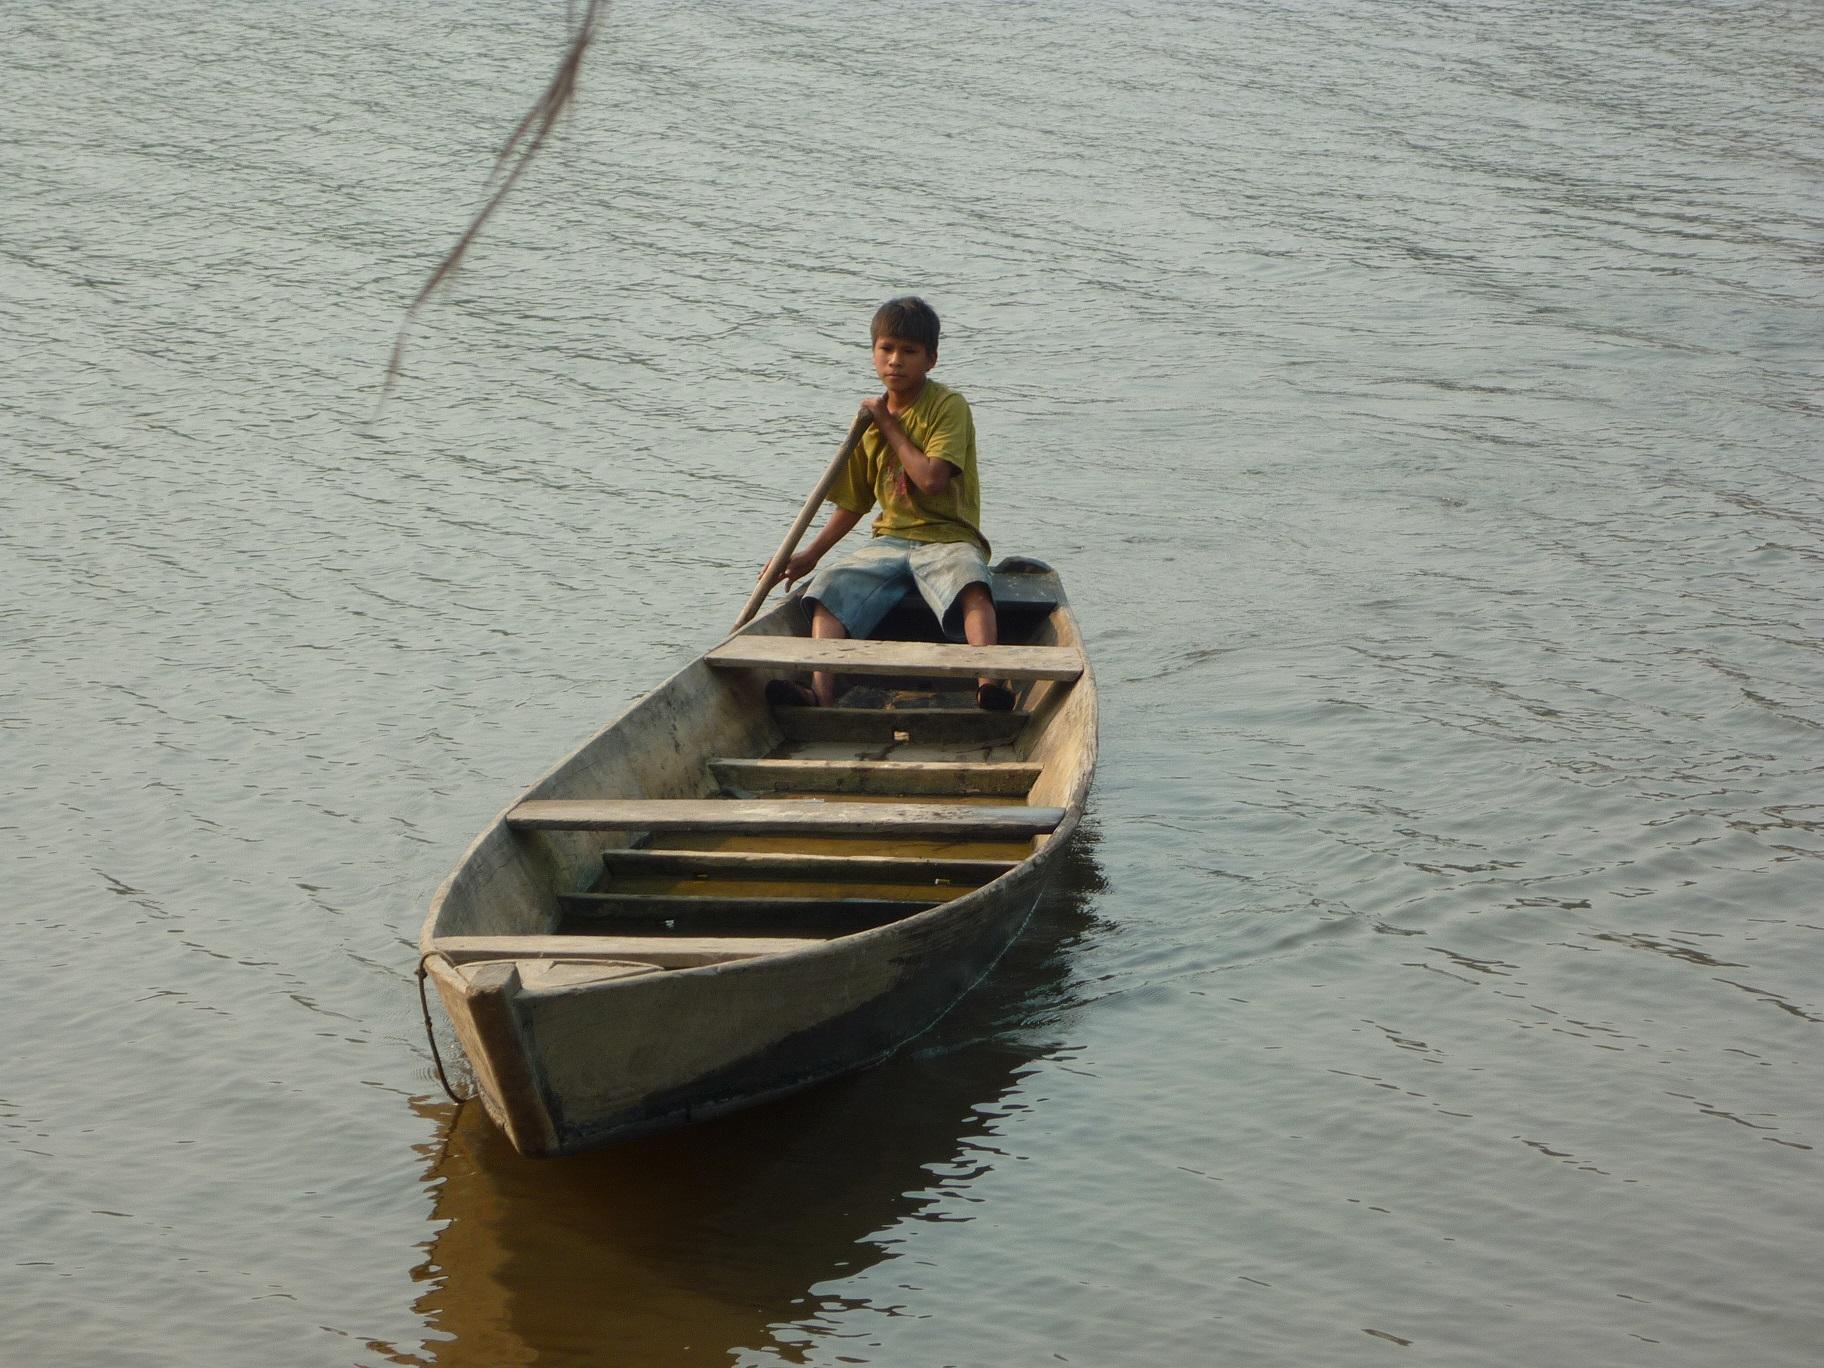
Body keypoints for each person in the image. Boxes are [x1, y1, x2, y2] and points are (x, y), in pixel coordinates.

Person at [769, 296, 1014, 711]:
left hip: (948, 538)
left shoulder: (947, 406)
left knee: (972, 583)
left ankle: (989, 682)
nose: (895, 361)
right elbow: (854, 503)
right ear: (874, 354)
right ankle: (821, 695)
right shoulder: (868, 422)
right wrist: (810, 555)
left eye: (908, 351)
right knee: (828, 589)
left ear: (930, 359)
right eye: (886, 349)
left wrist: (888, 424)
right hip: (890, 542)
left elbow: (932, 480)